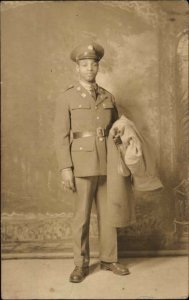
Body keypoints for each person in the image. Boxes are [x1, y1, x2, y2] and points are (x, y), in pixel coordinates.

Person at [54, 42, 129, 283]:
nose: (89, 68)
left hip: (107, 164)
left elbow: (115, 128)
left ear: (98, 67)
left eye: (93, 64)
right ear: (77, 68)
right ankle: (80, 264)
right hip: (82, 164)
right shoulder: (66, 97)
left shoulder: (108, 96)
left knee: (109, 214)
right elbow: (60, 136)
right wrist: (66, 168)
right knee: (82, 217)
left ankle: (109, 259)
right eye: (84, 64)